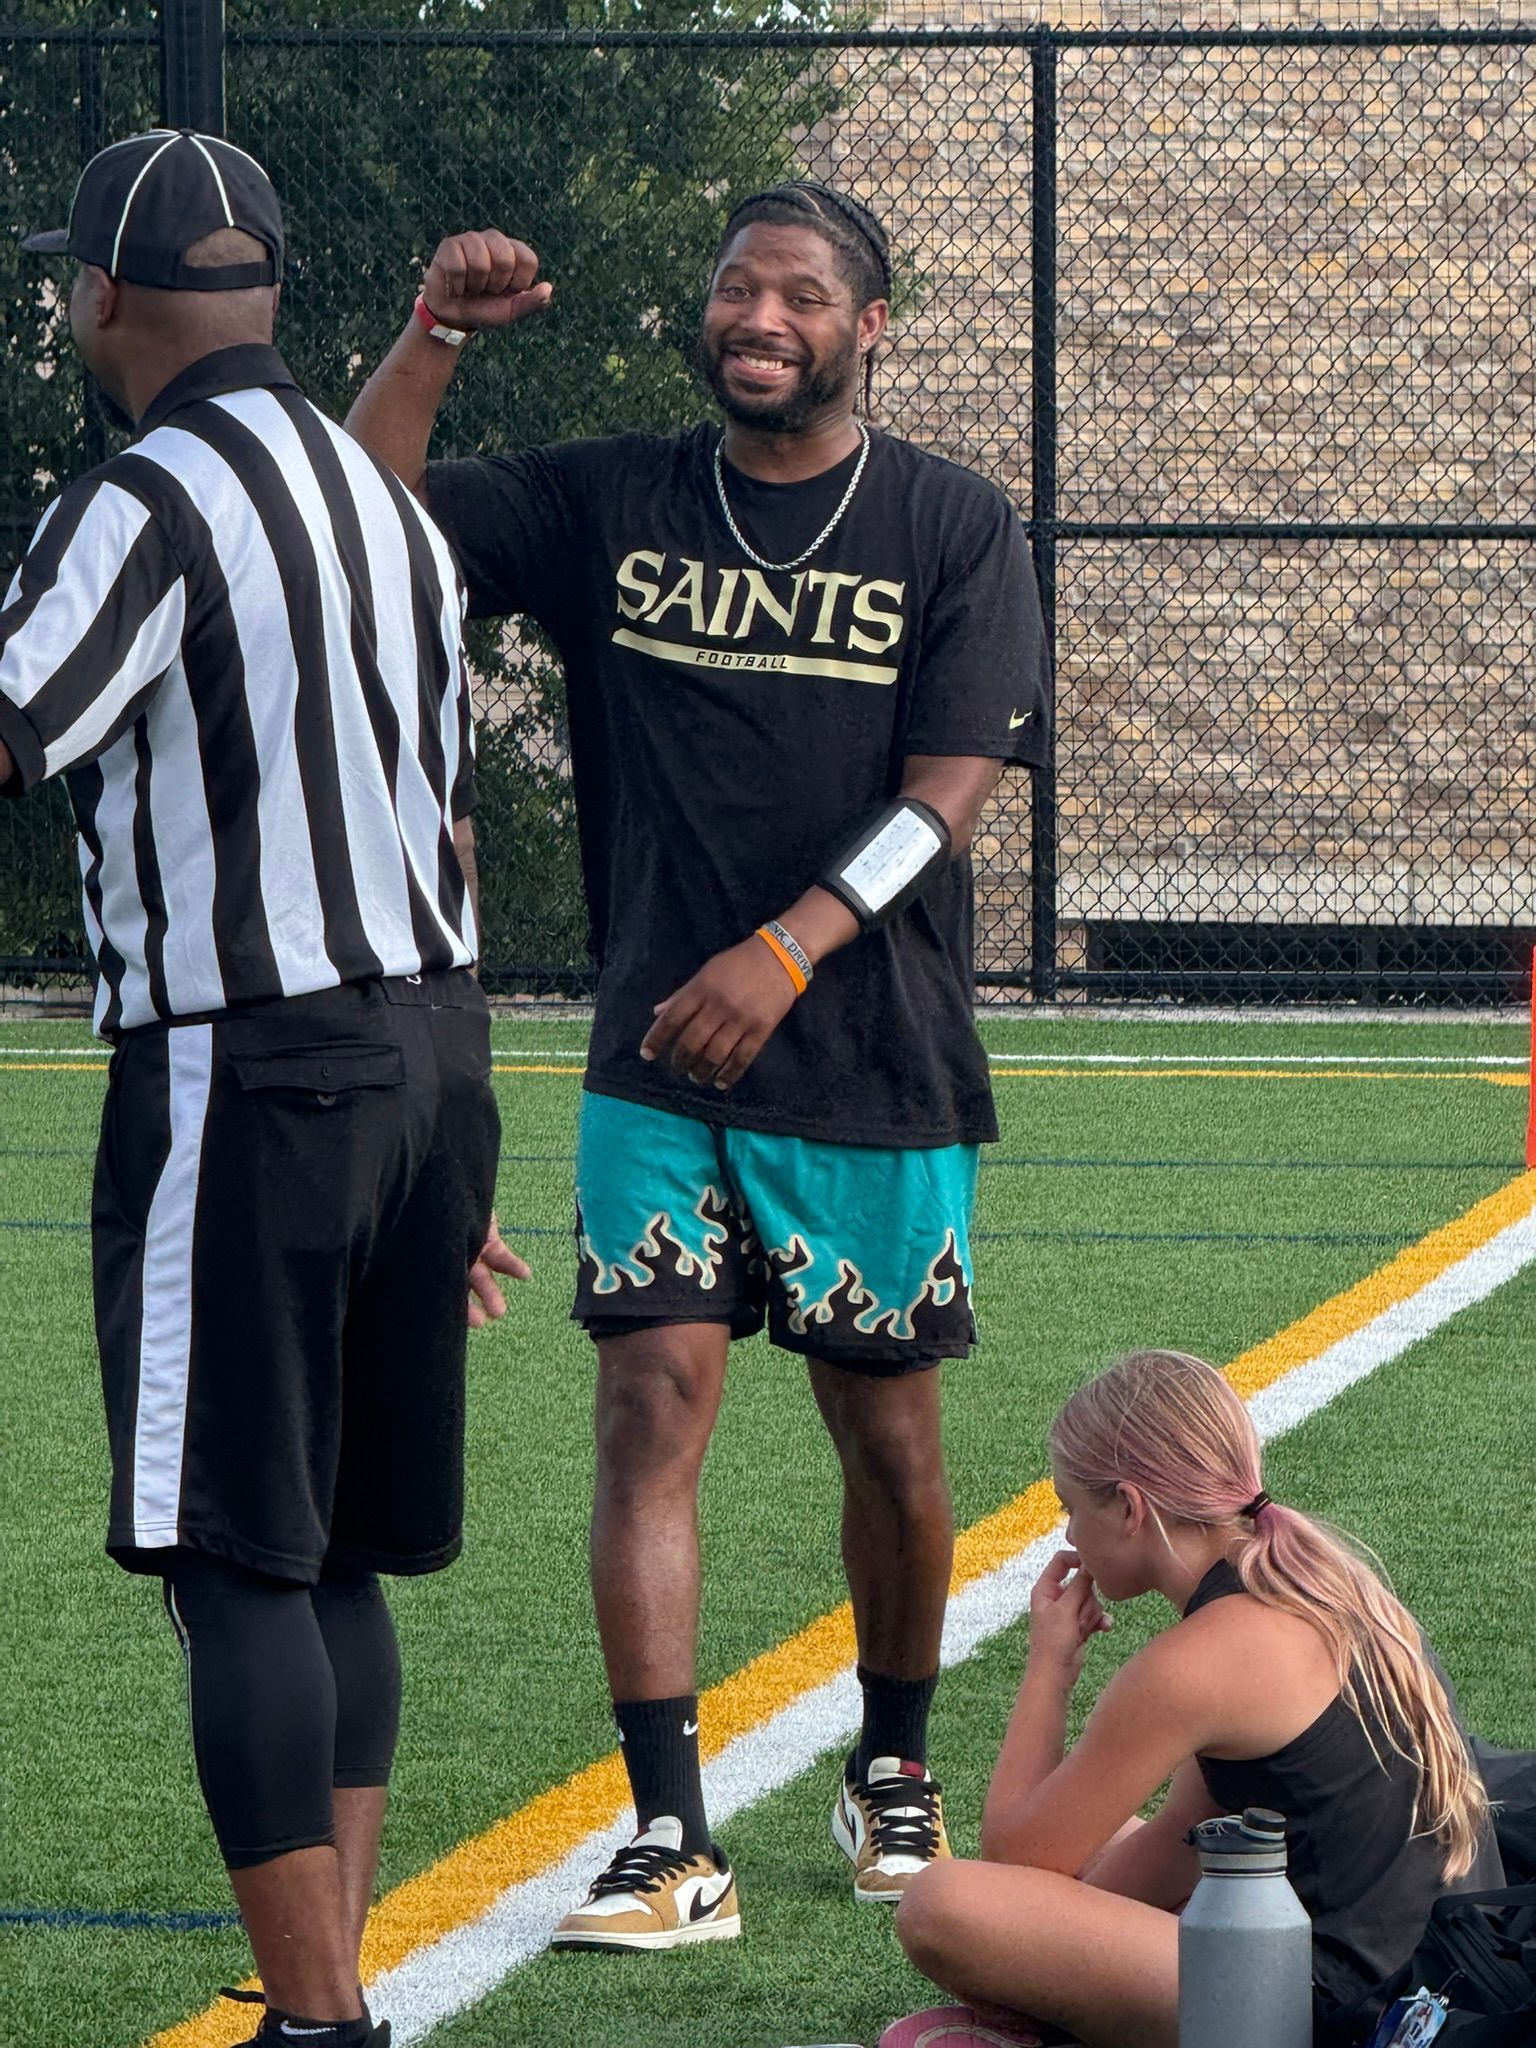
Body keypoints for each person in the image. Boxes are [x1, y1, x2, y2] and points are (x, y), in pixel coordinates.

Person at [346, 182, 1051, 1945]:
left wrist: (791, 944)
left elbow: (949, 792)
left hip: (871, 1063)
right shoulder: (613, 495)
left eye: (800, 295)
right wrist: (430, 333)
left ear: (867, 325)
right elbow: (359, 514)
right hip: (658, 1055)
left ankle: (893, 1755)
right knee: (646, 1401)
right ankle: (673, 1831)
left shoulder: (953, 524)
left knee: (885, 1432)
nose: (760, 317)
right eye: (738, 288)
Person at [2, 130, 524, 2048]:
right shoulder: (384, 504)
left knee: (231, 1550)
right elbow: (447, 826)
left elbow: (16, 723)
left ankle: (318, 2021)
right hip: (426, 1044)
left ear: (105, 297)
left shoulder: (138, 499)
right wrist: (445, 1138)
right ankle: (328, 1987)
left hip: (248, 1056)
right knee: (331, 1546)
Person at [882, 1349, 1503, 2048]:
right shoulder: (1322, 1580)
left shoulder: (1200, 1658)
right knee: (1099, 1845)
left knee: (943, 1903)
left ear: (1128, 1506)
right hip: (1438, 1983)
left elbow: (1016, 1861)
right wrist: (1052, 1942)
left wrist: (1048, 1666)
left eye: (1071, 1505)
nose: (1068, 1535)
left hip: (1338, 2011)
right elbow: (1181, 1842)